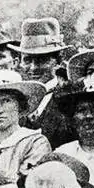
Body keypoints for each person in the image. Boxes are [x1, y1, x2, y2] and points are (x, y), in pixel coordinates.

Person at [11, 17, 75, 149]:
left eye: (41, 60)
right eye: (28, 60)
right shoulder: (15, 100)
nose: (33, 67)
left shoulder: (71, 98)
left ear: (58, 61)